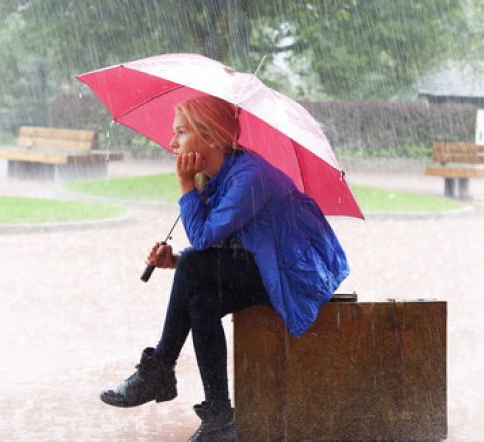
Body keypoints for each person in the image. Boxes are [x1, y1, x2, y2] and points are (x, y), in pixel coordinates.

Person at [100, 95, 349, 442]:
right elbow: (221, 247)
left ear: (213, 138)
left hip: (291, 276)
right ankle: (219, 418)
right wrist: (175, 261)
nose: (172, 143)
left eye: (181, 132)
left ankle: (159, 370)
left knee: (194, 267)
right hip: (262, 267)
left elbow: (203, 239)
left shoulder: (251, 176)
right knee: (201, 301)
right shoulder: (221, 176)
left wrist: (186, 185)